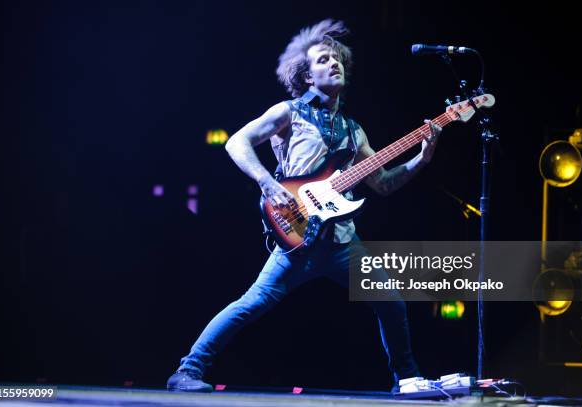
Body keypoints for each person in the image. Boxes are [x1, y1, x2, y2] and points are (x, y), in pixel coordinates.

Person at [167, 19, 441, 394]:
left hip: (343, 242)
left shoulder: (353, 130)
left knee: (390, 301)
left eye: (337, 58)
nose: (334, 64)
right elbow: (237, 143)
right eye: (323, 60)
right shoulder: (288, 112)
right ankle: (186, 371)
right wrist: (267, 181)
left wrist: (421, 159)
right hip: (296, 234)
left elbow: (384, 183)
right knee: (251, 304)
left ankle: (407, 380)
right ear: (307, 76)